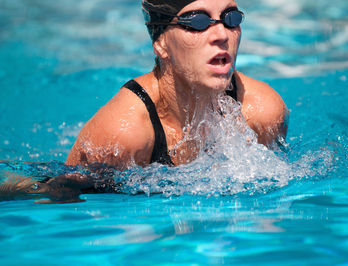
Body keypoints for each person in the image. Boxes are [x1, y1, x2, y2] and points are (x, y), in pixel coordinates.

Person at [66, 0, 288, 169]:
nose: (221, 34)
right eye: (197, 22)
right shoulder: (125, 134)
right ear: (160, 43)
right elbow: (61, 200)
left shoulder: (262, 111)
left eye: (231, 19)